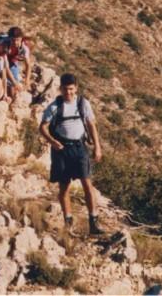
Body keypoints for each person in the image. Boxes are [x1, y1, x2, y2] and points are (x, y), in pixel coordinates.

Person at [39, 73, 104, 235]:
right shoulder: (54, 106)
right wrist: (52, 141)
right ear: (60, 89)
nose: (68, 93)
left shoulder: (83, 104)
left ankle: (93, 222)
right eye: (65, 89)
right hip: (61, 150)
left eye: (71, 89)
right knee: (64, 187)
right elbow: (43, 127)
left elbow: (91, 125)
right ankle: (68, 221)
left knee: (87, 184)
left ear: (76, 89)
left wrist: (97, 146)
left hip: (79, 148)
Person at [3, 26, 32, 97]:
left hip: (13, 59)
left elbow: (28, 65)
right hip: (0, 58)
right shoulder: (3, 43)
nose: (15, 42)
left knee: (12, 85)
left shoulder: (25, 47)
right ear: (9, 38)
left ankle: (11, 102)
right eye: (13, 40)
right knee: (0, 78)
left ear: (21, 38)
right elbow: (6, 67)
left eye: (17, 40)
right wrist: (14, 82)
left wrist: (27, 80)